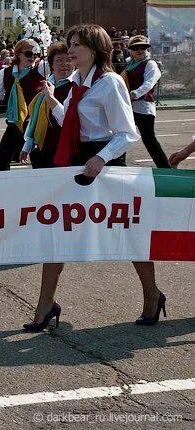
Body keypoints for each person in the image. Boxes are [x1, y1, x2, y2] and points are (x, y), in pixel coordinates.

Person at [25, 23, 163, 331]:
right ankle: (45, 306)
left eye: (77, 44)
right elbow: (73, 124)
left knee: (127, 233)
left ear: (95, 49)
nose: (70, 49)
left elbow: (128, 134)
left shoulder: (110, 82)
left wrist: (100, 158)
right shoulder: (75, 82)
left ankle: (152, 295)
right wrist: (52, 102)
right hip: (77, 160)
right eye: (70, 43)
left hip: (106, 161)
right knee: (57, 231)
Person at [0, 39, 46, 171]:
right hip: (14, 124)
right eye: (28, 54)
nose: (32, 57)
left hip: (34, 124)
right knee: (2, 161)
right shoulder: (6, 73)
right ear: (18, 54)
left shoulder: (41, 69)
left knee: (39, 164)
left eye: (35, 54)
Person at [19, 42, 74, 169]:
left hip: (64, 149)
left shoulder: (75, 86)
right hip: (42, 149)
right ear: (52, 65)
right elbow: (36, 118)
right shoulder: (47, 86)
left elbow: (67, 119)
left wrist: (51, 98)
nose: (64, 64)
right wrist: (27, 145)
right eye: (59, 60)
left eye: (69, 60)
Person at [122, 35, 171, 168]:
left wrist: (134, 94)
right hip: (129, 107)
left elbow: (149, 84)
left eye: (143, 47)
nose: (139, 50)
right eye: (135, 48)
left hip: (143, 108)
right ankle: (119, 166)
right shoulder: (129, 64)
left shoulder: (150, 64)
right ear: (130, 50)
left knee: (149, 139)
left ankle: (165, 168)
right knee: (122, 136)